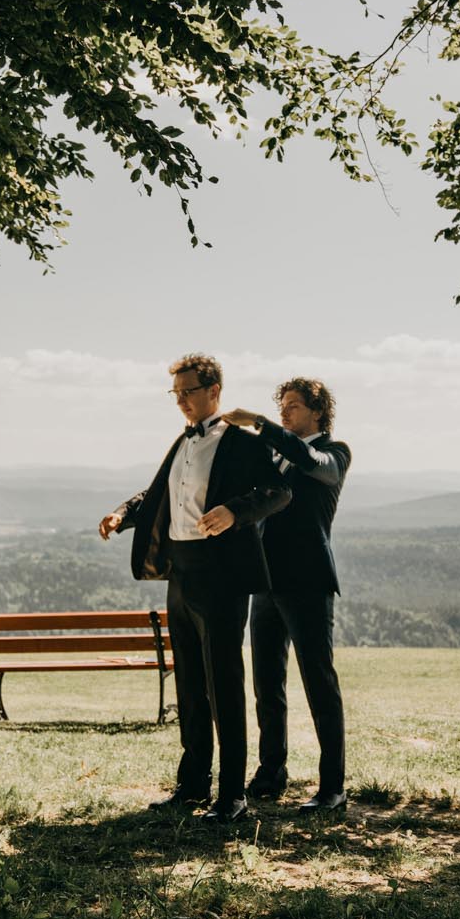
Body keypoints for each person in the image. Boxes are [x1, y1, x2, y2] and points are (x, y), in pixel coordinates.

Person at [100, 353, 290, 823]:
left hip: (222, 573)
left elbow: (279, 491)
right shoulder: (182, 442)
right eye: (176, 392)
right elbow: (159, 495)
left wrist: (235, 511)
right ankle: (192, 786)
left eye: (188, 391)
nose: (181, 400)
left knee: (223, 684)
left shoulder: (241, 443)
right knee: (188, 684)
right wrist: (122, 514)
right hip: (180, 572)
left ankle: (233, 796)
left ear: (214, 391)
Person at [222, 377, 351, 812]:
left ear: (318, 412)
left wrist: (261, 423)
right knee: (267, 684)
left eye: (294, 406)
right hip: (265, 582)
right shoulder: (274, 453)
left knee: (319, 682)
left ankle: (332, 787)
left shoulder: (334, 453)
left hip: (308, 583)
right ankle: (271, 772)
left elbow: (310, 461)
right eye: (282, 406)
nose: (285, 412)